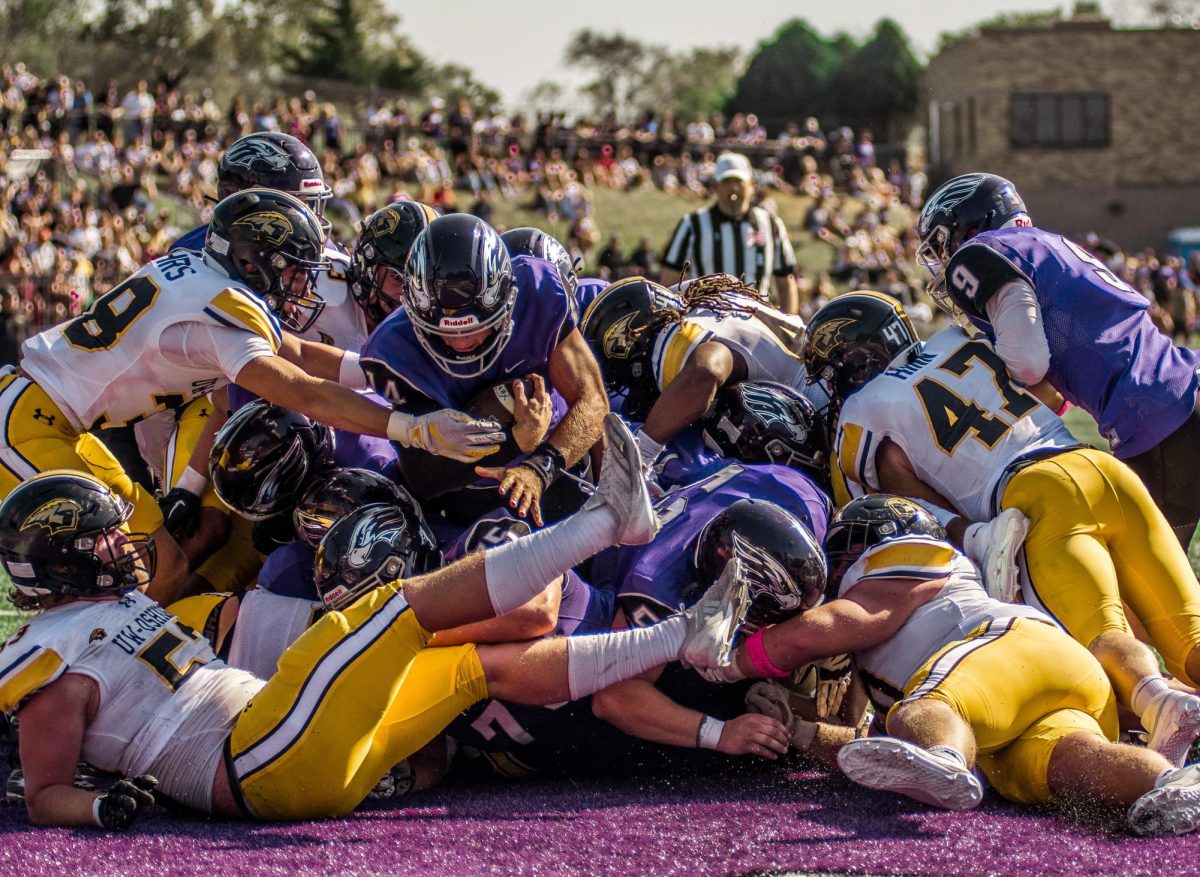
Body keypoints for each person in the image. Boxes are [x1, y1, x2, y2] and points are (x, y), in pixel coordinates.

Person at [0, 415, 709, 828]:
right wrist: (97, 809)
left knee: (471, 669)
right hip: (253, 758)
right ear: (60, 558)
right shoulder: (47, 657)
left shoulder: (114, 605)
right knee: (395, 607)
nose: (125, 544)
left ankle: (688, 637)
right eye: (104, 539)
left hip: (291, 744)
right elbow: (42, 793)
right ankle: (607, 521)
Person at [0, 190, 497, 603]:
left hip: (51, 415)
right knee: (118, 566)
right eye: (296, 270)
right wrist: (407, 427)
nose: (305, 284)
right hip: (26, 420)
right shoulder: (224, 312)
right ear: (255, 263)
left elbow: (298, 351)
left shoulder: (203, 280)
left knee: (154, 563)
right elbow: (300, 389)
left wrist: (381, 374)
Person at [806, 292, 1200, 766]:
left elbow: (908, 499)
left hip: (1034, 496)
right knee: (1187, 635)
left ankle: (1159, 699)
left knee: (1101, 636)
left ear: (849, 360)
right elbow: (1050, 395)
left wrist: (970, 532)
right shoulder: (957, 341)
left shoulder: (862, 411)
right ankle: (1166, 697)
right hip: (1098, 465)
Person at [682, 495, 1200, 837]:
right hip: (1026, 697)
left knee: (925, 708)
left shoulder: (908, 559)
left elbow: (845, 621)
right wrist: (796, 729)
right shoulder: (896, 649)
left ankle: (949, 760)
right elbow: (872, 750)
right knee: (1077, 765)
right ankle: (1170, 783)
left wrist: (731, 665)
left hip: (1003, 651)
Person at [917, 172, 1200, 548]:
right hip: (1183, 387)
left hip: (1159, 418)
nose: (942, 259)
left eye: (940, 243)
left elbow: (1029, 361)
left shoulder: (979, 252)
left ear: (970, 224)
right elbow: (1053, 389)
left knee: (1146, 587)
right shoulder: (1048, 243)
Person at [361, 214, 608, 527]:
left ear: (508, 297)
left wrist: (541, 467)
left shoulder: (538, 291)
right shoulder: (394, 351)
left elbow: (593, 402)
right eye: (443, 330)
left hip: (562, 466)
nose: (461, 341)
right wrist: (515, 440)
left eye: (477, 327)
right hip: (467, 498)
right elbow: (423, 474)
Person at [581, 274, 814, 473]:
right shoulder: (706, 299)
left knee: (726, 411)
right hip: (819, 380)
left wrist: (641, 454)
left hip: (816, 414)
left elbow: (706, 370)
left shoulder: (677, 337)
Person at [660, 152, 799, 314]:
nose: (733, 188)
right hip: (706, 323)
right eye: (726, 181)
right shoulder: (692, 224)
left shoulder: (771, 224)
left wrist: (789, 328)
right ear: (715, 186)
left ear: (752, 185)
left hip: (758, 322)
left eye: (739, 182)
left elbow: (786, 281)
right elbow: (669, 282)